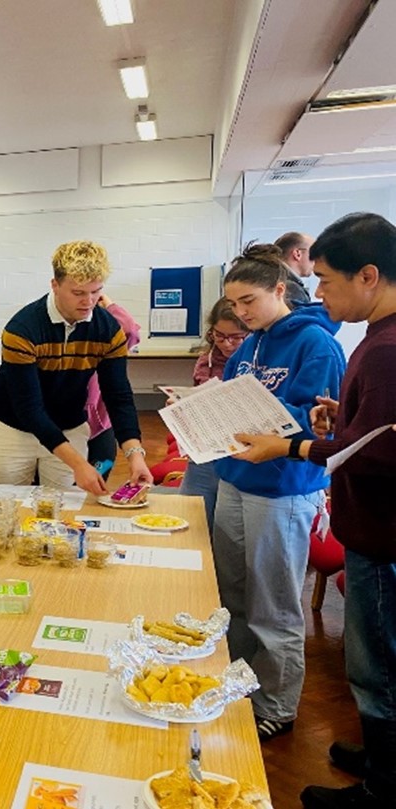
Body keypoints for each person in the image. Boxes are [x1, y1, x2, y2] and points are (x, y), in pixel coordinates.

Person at [234, 213, 396, 809]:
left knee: (375, 666)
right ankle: (380, 757)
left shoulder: (376, 346)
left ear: (370, 275)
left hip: (372, 526)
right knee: (373, 661)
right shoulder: (375, 341)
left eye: (325, 279)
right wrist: (336, 418)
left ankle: (382, 782)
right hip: (362, 521)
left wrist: (298, 442)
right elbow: (368, 429)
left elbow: (380, 448)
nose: (317, 291)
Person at [210, 243, 345, 743]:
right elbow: (232, 398)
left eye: (249, 301)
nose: (241, 314)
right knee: (234, 595)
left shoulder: (316, 344)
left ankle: (277, 704)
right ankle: (240, 681)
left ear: (280, 290)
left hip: (284, 487)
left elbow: (320, 424)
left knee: (274, 602)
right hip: (236, 478)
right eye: (234, 304)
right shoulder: (250, 345)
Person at [0, 241, 151, 495]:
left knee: (61, 511)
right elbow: (29, 408)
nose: (89, 302)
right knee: (7, 506)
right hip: (14, 429)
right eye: (78, 293)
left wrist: (134, 454)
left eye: (96, 292)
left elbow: (118, 396)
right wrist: (78, 464)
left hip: (69, 425)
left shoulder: (108, 330)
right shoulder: (22, 329)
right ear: (55, 285)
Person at [178, 298, 250, 530]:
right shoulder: (205, 362)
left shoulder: (256, 361)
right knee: (192, 518)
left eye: (236, 337)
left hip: (242, 455)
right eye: (219, 336)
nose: (227, 344)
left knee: (226, 529)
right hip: (205, 451)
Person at [84, 294, 141, 480]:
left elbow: (130, 330)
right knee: (65, 487)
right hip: (68, 426)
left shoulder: (109, 340)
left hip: (101, 428)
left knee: (99, 475)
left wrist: (108, 304)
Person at [276, 231, 316, 304]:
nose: (316, 259)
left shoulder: (271, 279)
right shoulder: (292, 289)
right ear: (297, 254)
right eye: (314, 252)